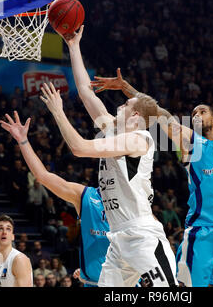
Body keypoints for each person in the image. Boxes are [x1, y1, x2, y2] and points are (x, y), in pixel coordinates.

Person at [92, 32, 213, 286]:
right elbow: (157, 112)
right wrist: (127, 89)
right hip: (201, 232)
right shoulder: (190, 143)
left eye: (203, 111)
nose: (196, 113)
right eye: (193, 111)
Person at [40, 25, 177, 287]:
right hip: (118, 240)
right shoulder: (112, 130)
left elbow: (79, 148)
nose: (120, 105)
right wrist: (73, 45)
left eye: (125, 104)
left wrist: (58, 112)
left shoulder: (140, 140)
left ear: (136, 116)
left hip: (142, 236)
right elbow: (84, 90)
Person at [0, 111, 109, 287]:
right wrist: (23, 141)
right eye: (106, 165)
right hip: (93, 283)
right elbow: (42, 176)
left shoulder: (136, 203)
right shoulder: (87, 196)